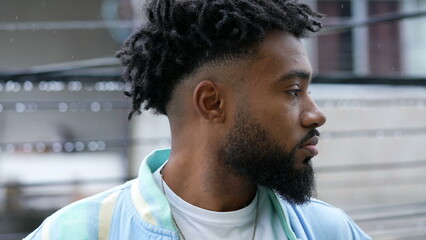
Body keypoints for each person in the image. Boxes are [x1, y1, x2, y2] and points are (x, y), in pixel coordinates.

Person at [25, 0, 371, 239]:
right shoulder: (80, 233)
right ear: (212, 102)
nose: (316, 114)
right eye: (293, 91)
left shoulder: (328, 231)